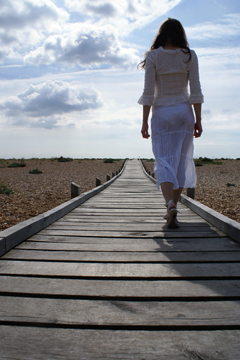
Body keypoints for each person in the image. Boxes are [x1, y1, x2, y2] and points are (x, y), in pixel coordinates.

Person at [138, 18, 204, 228]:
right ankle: (172, 207)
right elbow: (196, 91)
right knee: (181, 161)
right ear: (181, 34)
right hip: (184, 112)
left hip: (162, 114)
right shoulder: (189, 56)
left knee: (164, 161)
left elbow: (148, 93)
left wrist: (144, 122)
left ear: (161, 34)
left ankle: (169, 205)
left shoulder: (153, 56)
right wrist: (198, 120)